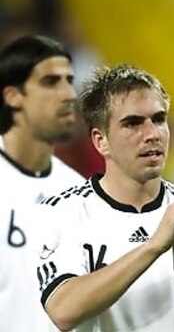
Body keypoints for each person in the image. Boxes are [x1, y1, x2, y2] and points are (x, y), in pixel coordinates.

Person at [35, 64, 174, 332]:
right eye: (133, 123)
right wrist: (154, 245)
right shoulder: (63, 212)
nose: (152, 134)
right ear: (101, 141)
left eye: (158, 119)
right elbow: (64, 311)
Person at [0, 35, 84, 332]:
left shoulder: (76, 193)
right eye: (50, 82)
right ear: (13, 96)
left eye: (69, 80)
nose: (69, 94)